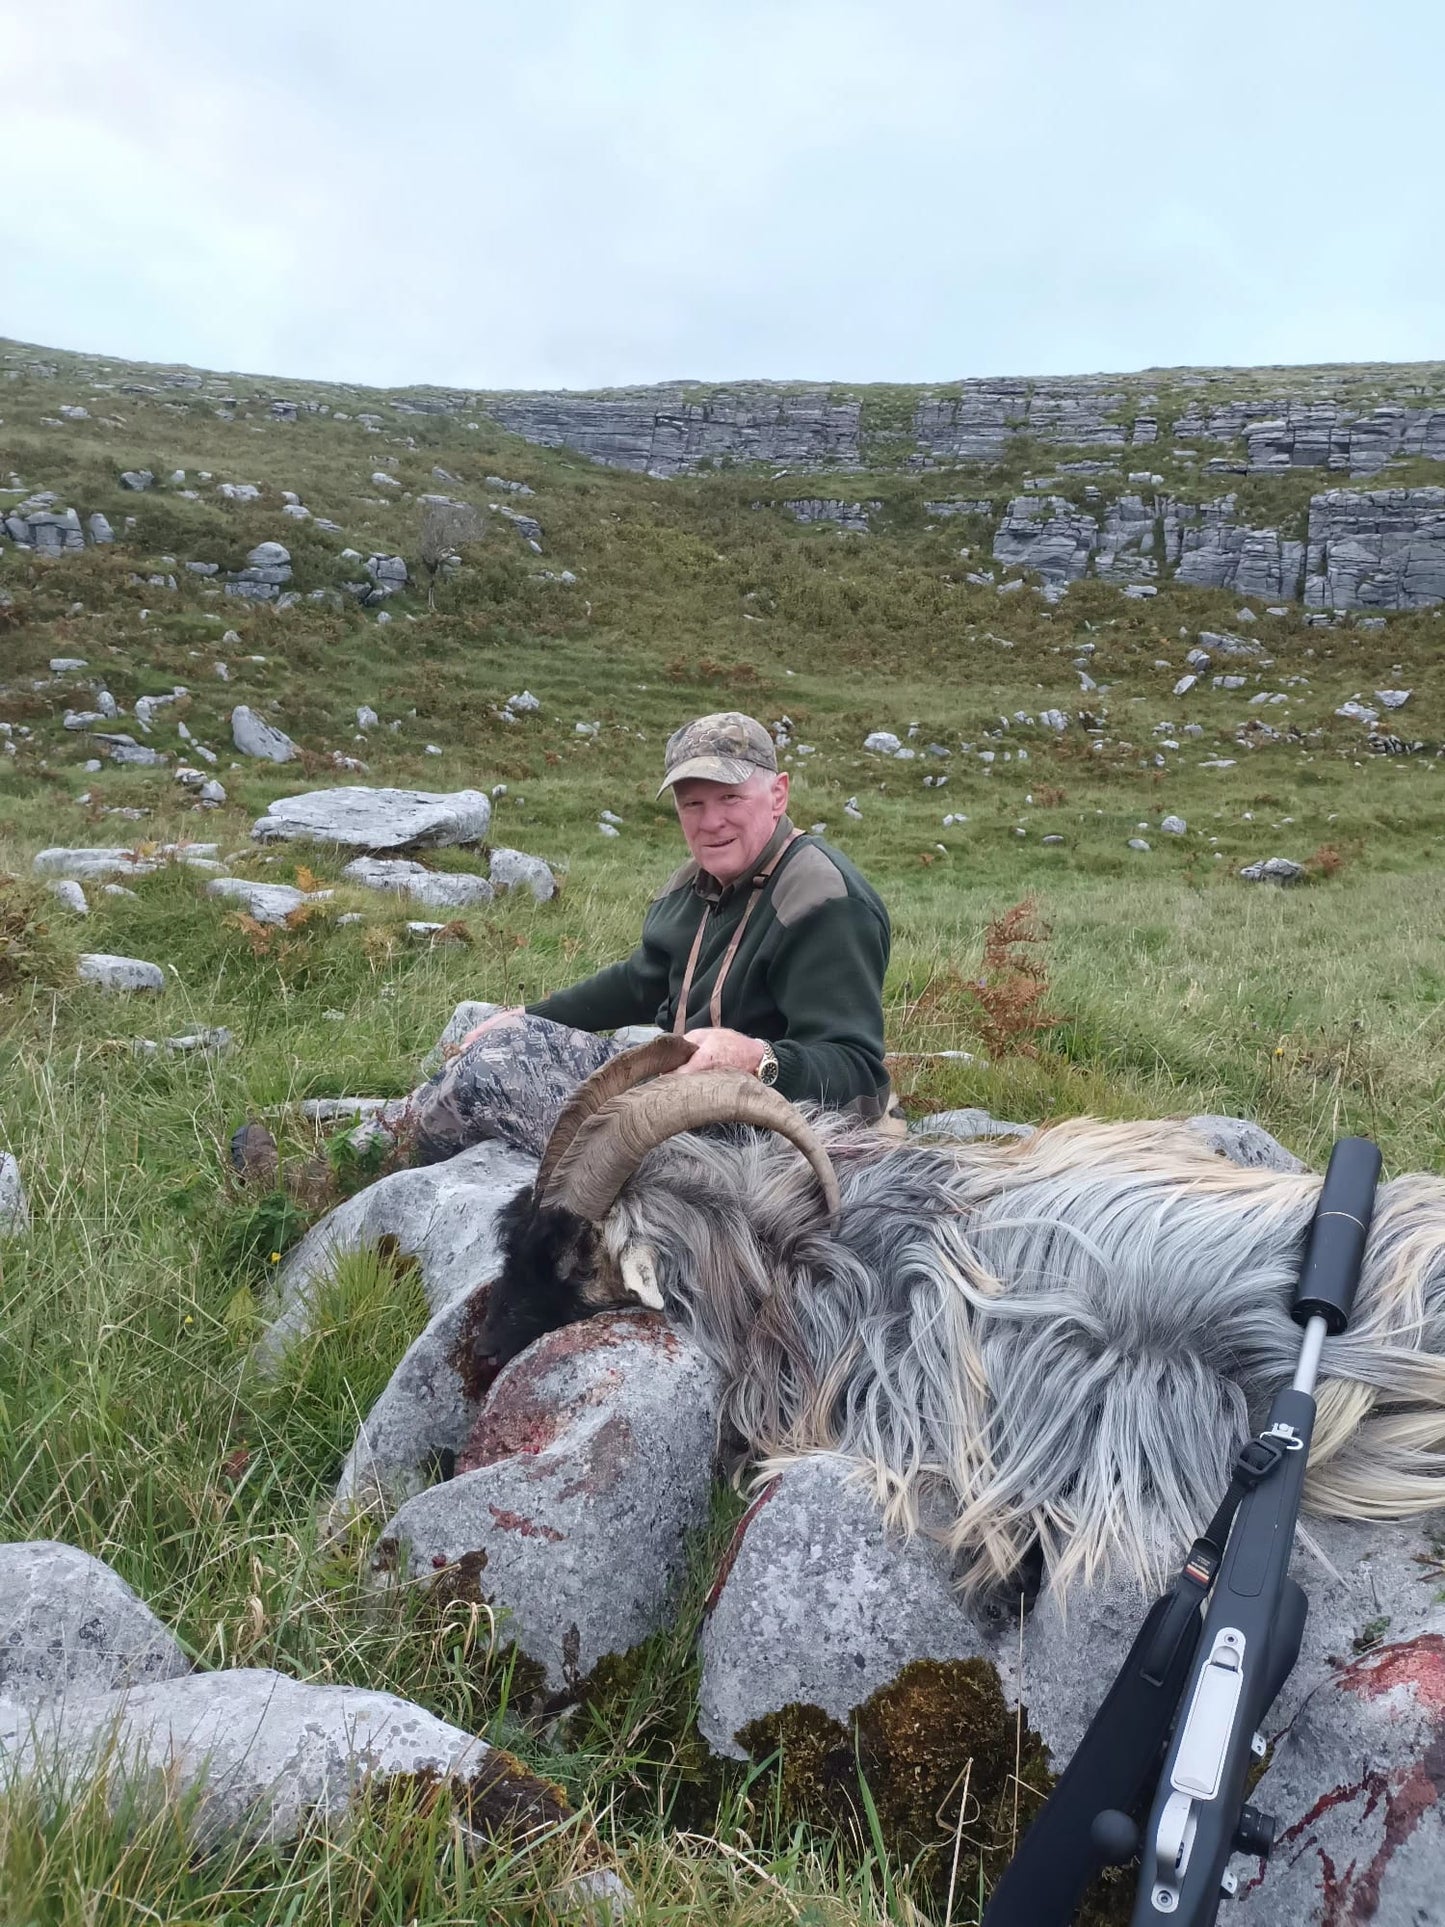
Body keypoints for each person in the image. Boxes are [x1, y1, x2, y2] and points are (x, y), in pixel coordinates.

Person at [404, 711, 893, 1164]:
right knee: (503, 1046)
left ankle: (401, 1161)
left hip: (769, 1142)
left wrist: (756, 1058)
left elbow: (858, 1078)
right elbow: (640, 983)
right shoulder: (694, 883)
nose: (711, 822)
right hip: (683, 1101)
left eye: (730, 799)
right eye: (692, 804)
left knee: (492, 1076)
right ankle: (391, 1147)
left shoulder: (824, 901)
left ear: (779, 794)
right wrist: (530, 1018)